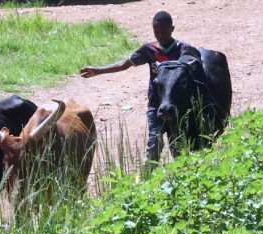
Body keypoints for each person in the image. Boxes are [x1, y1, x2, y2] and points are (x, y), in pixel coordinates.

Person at [79, 11, 194, 174]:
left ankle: (184, 177)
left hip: (177, 107)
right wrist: (98, 71)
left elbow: (197, 71)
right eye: (156, 31)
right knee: (154, 142)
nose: (160, 35)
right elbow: (125, 64)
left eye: (164, 31)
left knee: (178, 145)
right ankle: (148, 180)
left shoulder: (183, 50)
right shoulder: (149, 50)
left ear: (172, 29)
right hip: (156, 105)